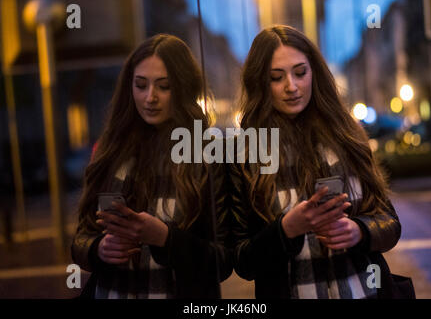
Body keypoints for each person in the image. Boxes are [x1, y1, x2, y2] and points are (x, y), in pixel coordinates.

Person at [228, 25, 402, 299]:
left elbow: (389, 222)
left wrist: (360, 231)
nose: (291, 87)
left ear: (314, 73)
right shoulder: (245, 153)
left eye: (300, 73)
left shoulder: (346, 135)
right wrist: (286, 230)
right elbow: (241, 261)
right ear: (261, 82)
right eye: (276, 77)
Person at [71, 34, 232, 299]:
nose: (150, 97)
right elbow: (82, 237)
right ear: (129, 86)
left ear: (182, 88)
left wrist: (166, 238)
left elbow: (223, 260)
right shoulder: (112, 149)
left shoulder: (207, 154)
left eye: (164, 86)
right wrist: (97, 249)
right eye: (141, 85)